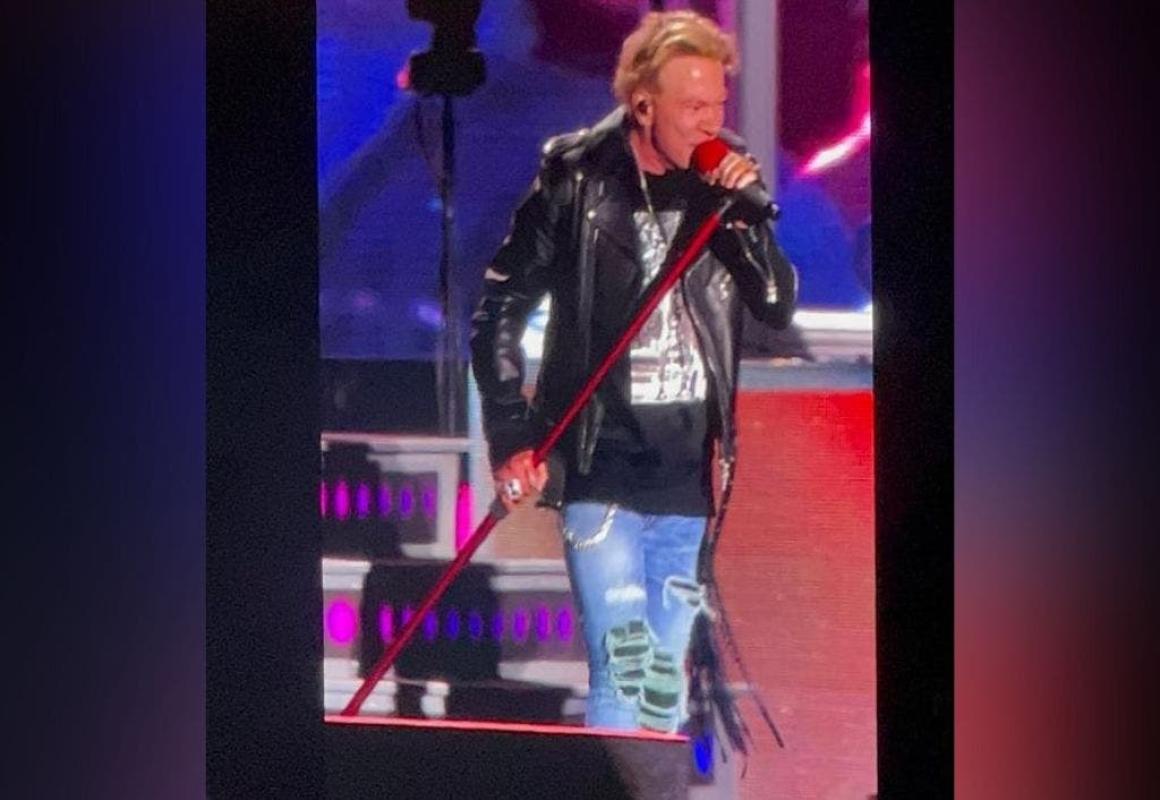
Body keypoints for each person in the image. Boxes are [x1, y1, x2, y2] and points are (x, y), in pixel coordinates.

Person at [470, 10, 797, 745]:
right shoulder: (577, 176)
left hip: (685, 480)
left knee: (659, 685)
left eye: (718, 105)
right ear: (644, 105)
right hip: (601, 471)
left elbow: (775, 305)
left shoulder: (724, 181)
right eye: (693, 107)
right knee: (622, 672)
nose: (710, 122)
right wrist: (511, 435)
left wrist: (744, 219)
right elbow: (500, 307)